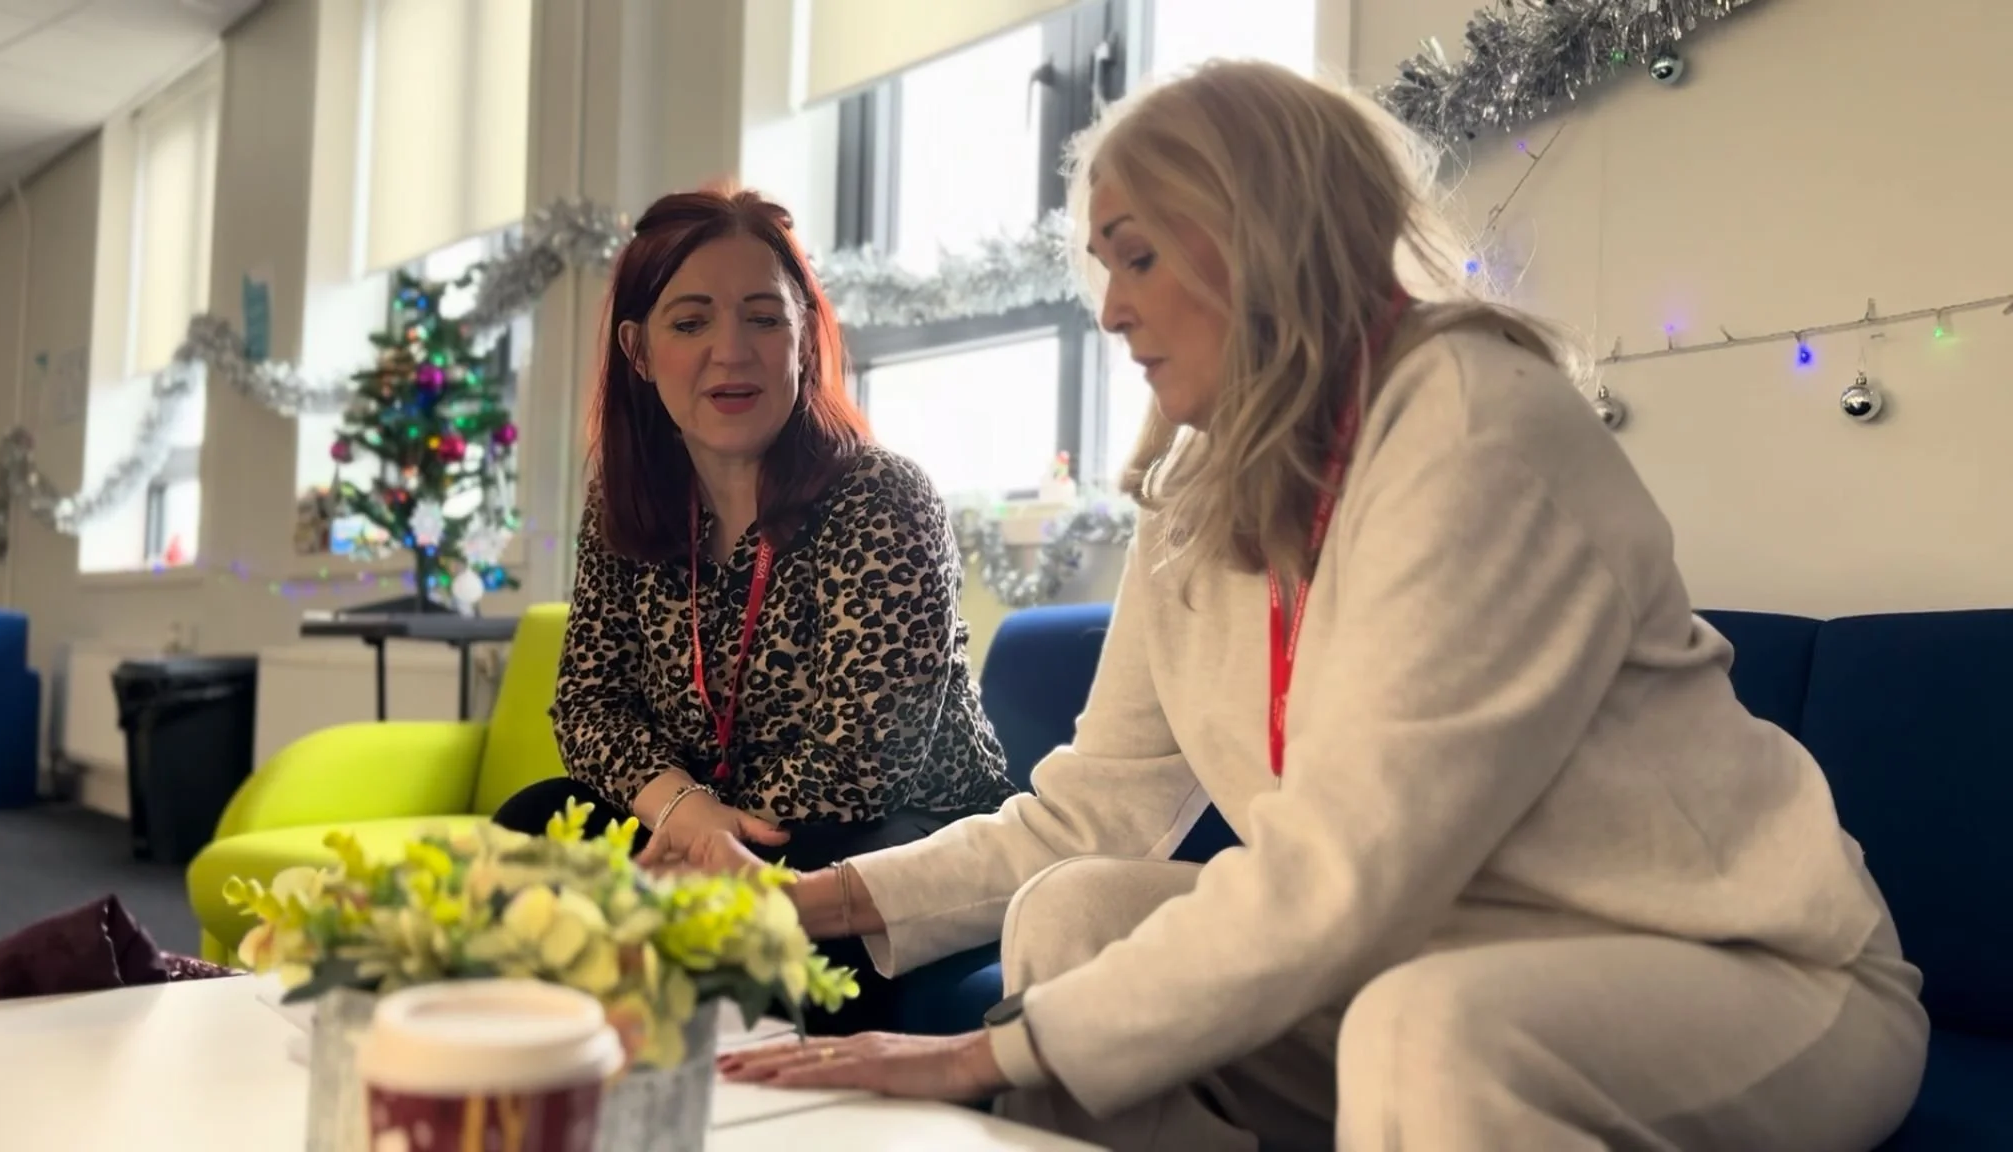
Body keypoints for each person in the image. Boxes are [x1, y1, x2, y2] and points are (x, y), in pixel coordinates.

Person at [702, 62, 1930, 1150]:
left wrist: (981, 1055)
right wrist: (790, 902)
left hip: (1748, 974)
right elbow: (1093, 814)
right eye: (1104, 265)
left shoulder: (1474, 419)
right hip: (1427, 954)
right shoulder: (1198, 487)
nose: (1112, 307)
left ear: (1257, 231)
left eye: (1137, 254)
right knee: (1075, 917)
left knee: (1430, 1029)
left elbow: (1347, 857)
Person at [492, 185, 1017, 1035]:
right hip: (711, 819)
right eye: (691, 322)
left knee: (807, 878)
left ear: (805, 334)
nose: (731, 352)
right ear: (639, 349)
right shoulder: (628, 503)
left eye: (763, 319)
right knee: (535, 824)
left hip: (887, 832)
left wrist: (710, 853)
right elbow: (587, 704)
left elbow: (862, 758)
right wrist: (687, 819)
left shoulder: (881, 496)